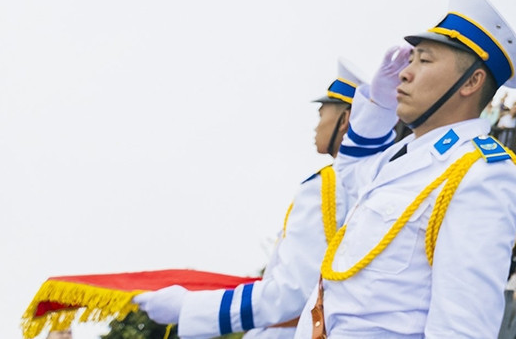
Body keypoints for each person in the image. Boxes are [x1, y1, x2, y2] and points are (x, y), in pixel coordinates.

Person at [299, 0, 516, 339]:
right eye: (410, 60)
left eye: (424, 61)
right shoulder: (404, 154)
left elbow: (460, 329)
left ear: (471, 82)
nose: (405, 73)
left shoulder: (483, 172)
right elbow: (348, 174)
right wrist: (378, 106)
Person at [136, 61, 365, 339]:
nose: (315, 127)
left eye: (321, 115)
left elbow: (291, 293)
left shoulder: (328, 186)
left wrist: (189, 306)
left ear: (346, 119)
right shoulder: (376, 178)